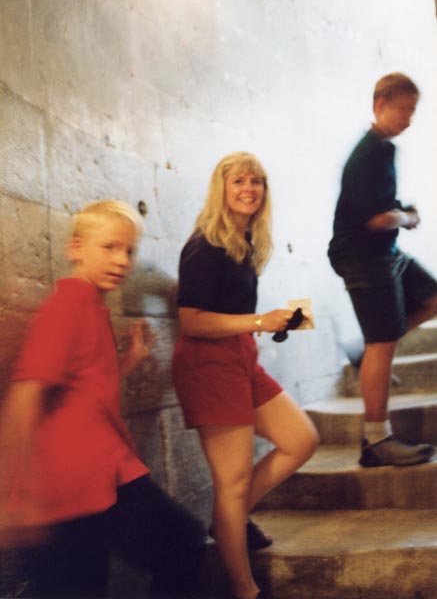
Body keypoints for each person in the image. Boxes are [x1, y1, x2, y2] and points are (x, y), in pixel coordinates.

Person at [0, 200, 205, 598]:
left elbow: (86, 385)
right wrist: (15, 494)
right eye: (109, 247)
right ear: (76, 248)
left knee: (177, 545)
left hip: (102, 476)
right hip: (71, 485)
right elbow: (26, 393)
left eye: (129, 251)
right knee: (180, 543)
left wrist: (130, 360)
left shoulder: (91, 305)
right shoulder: (69, 304)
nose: (122, 260)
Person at [172, 152, 319, 599]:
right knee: (231, 482)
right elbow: (193, 321)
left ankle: (228, 521)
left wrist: (268, 326)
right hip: (207, 365)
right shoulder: (205, 245)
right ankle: (245, 590)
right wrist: (260, 321)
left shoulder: (244, 243)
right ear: (222, 187)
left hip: (240, 357)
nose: (249, 189)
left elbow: (231, 315)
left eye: (257, 181)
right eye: (239, 181)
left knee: (302, 439)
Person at [328, 72, 437, 468]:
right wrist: (407, 218)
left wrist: (402, 212)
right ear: (379, 105)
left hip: (384, 254)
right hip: (361, 254)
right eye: (403, 109)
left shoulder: (384, 151)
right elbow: (375, 219)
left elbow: (381, 207)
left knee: (431, 298)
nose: (408, 118)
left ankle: (364, 351)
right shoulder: (370, 152)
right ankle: (376, 439)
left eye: (413, 112)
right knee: (383, 341)